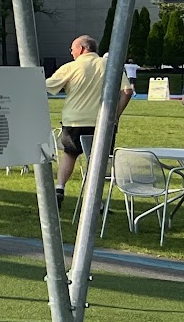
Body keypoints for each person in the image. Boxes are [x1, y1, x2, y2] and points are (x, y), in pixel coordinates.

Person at [44, 34, 133, 207]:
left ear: (82, 49)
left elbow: (48, 85)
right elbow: (127, 91)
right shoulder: (110, 65)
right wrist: (115, 115)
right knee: (98, 161)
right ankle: (95, 200)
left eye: (72, 49)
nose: (71, 53)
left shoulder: (71, 67)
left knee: (70, 154)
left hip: (74, 120)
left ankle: (60, 187)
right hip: (102, 122)